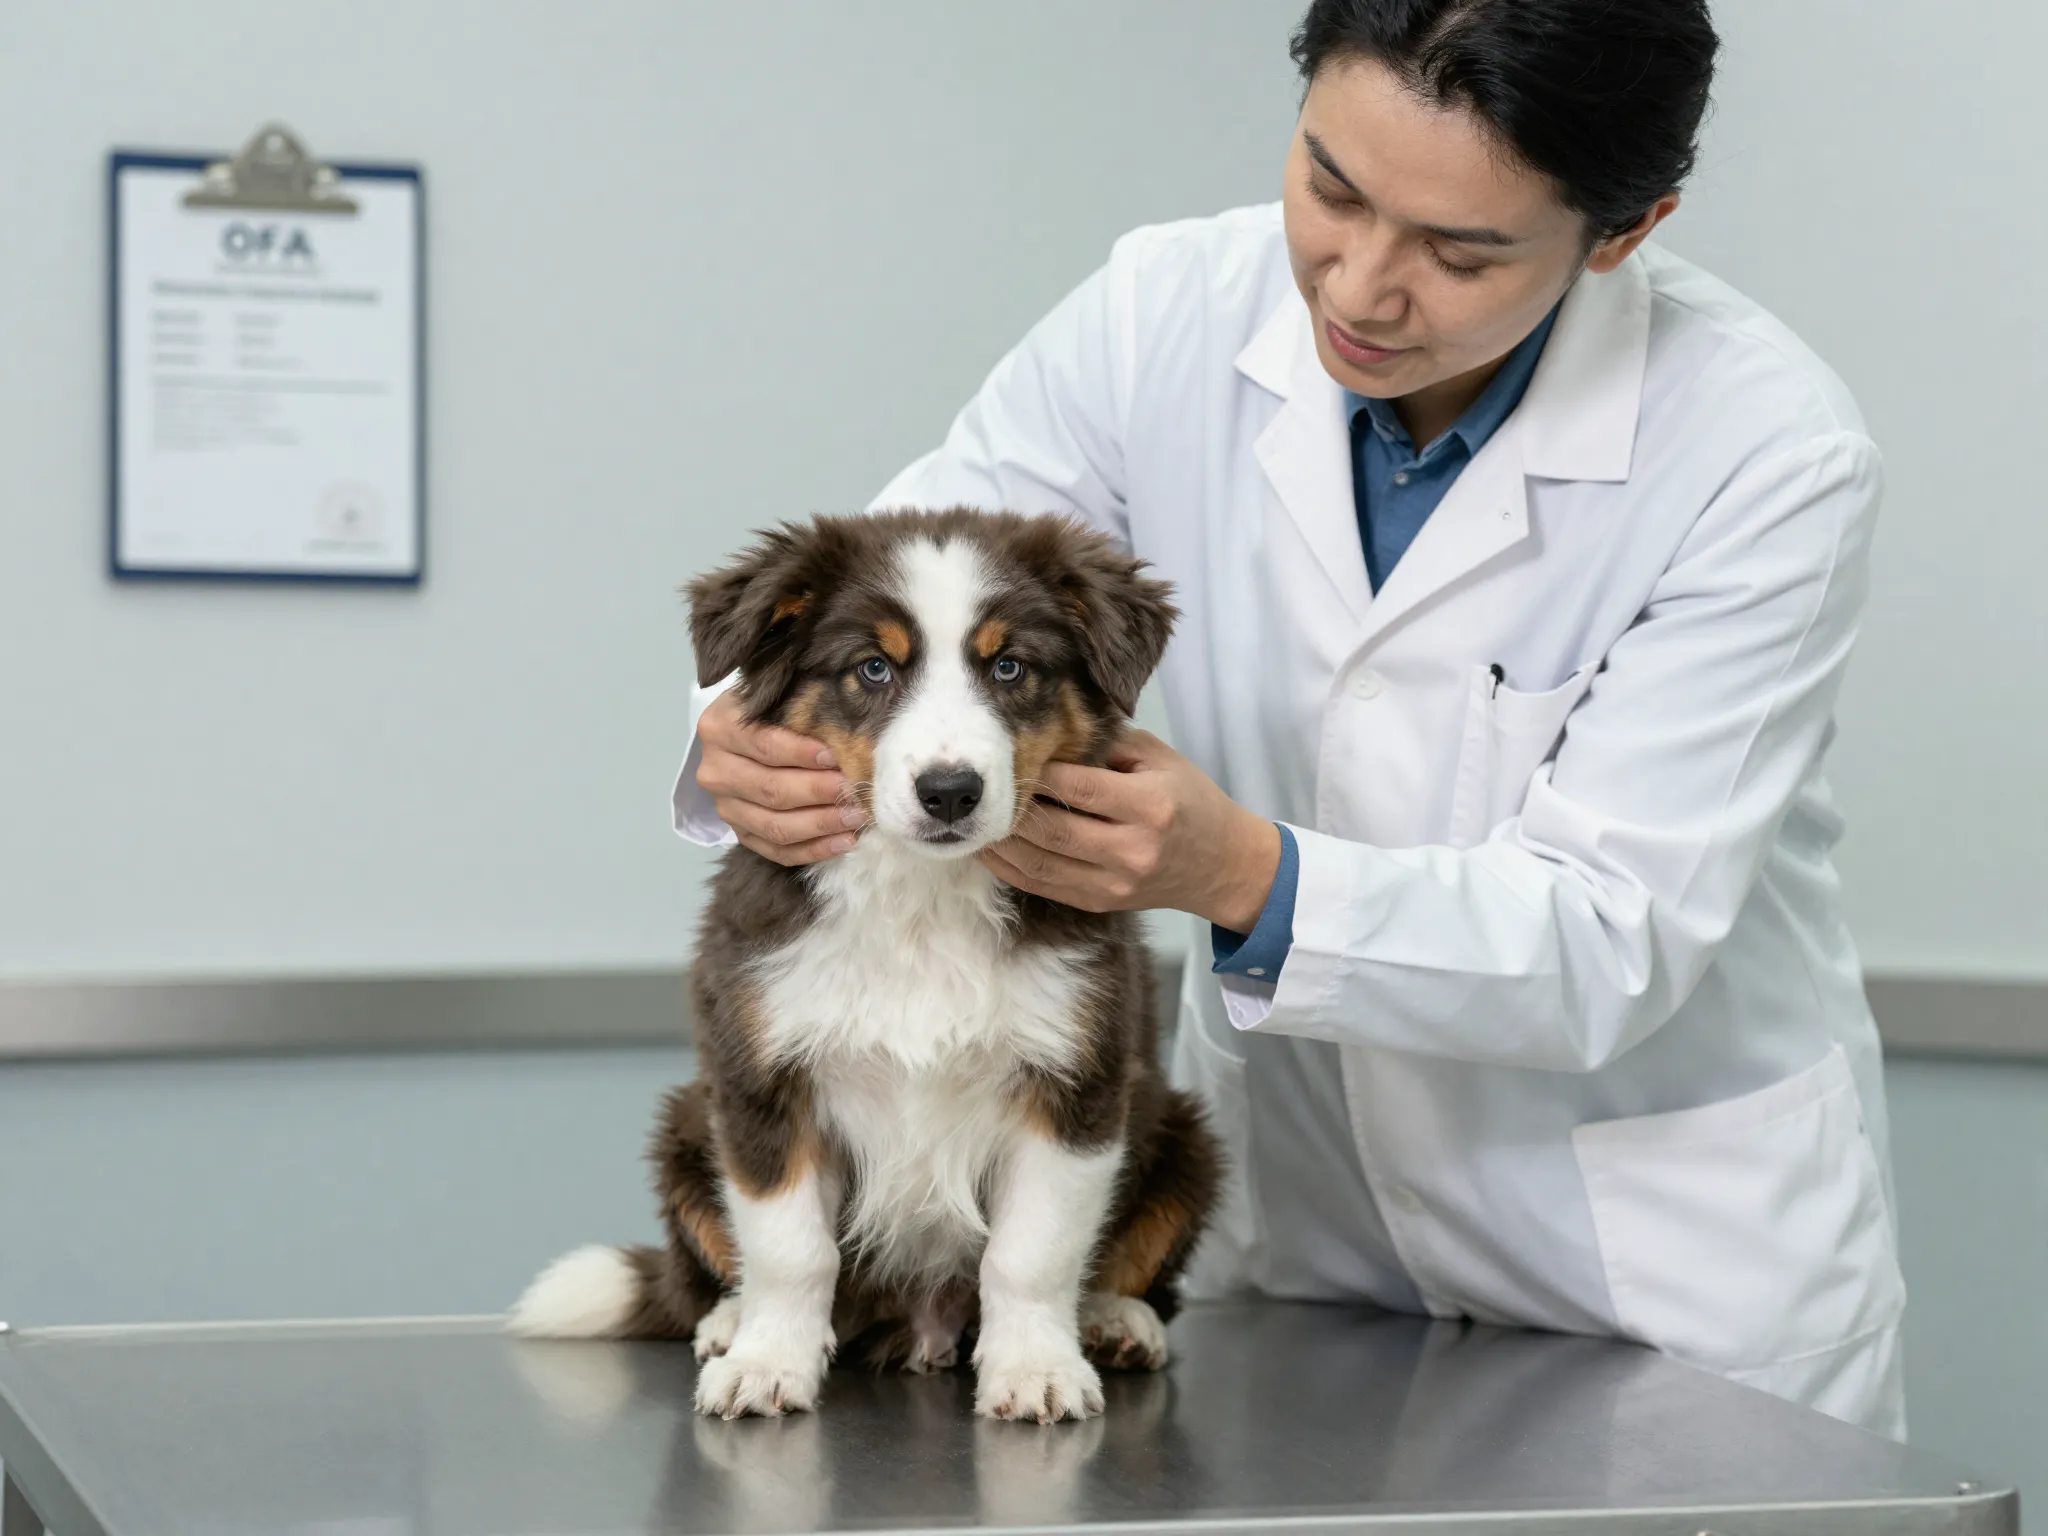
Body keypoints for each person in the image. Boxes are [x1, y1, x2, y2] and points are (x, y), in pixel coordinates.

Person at [674, 0, 1907, 1438]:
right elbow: (907, 576)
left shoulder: (1763, 454)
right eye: (1330, 186)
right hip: (1306, 1246)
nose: (1363, 288)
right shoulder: (1164, 314)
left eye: (1460, 250)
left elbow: (1610, 932)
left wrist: (1238, 877)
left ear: (1625, 233)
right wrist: (734, 744)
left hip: (1657, 1275)